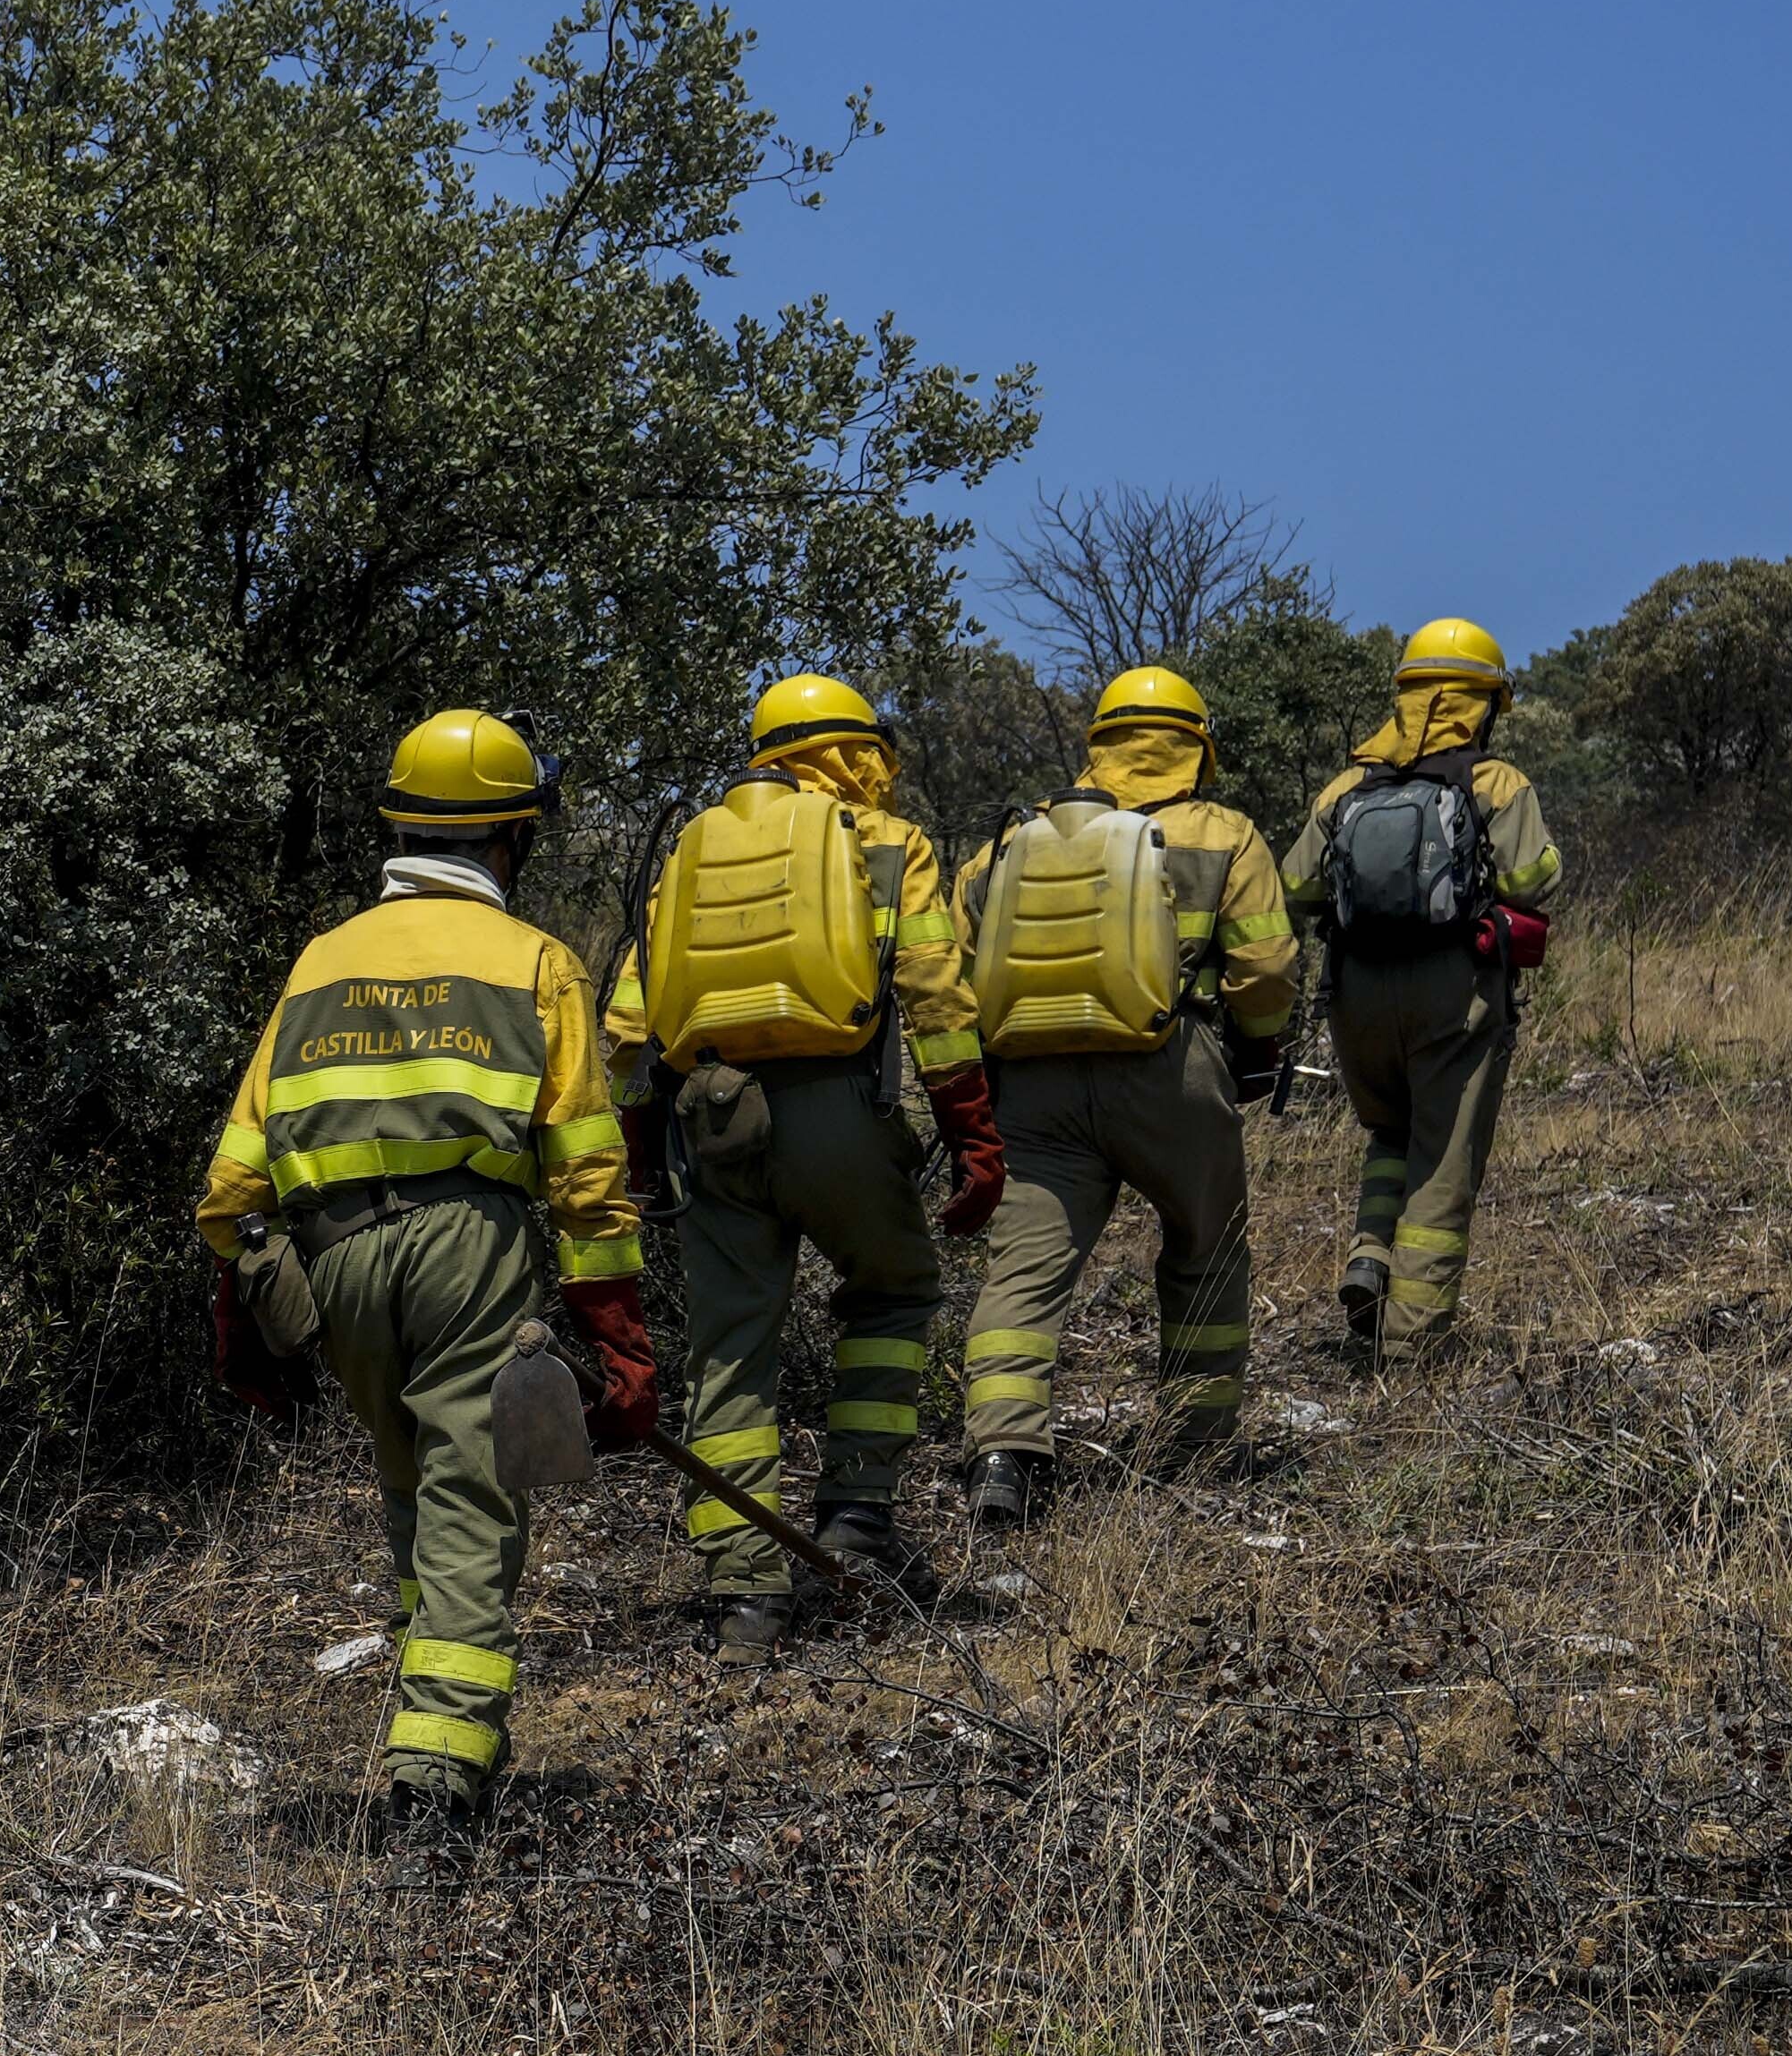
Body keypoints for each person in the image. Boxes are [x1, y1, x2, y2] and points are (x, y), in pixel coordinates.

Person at [197, 712, 658, 1840]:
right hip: (469, 1246)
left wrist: (248, 1304)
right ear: (508, 840)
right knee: (473, 1503)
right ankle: (436, 1788)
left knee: (415, 1497)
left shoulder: (323, 961)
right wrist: (620, 1334)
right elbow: (587, 1170)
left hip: (334, 1261)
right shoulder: (536, 962)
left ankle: (440, 1731)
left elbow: (231, 1183)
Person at [614, 672, 1000, 1626]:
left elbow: (629, 1024)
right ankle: (858, 1523)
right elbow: (936, 994)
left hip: (709, 1120)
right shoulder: (884, 843)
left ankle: (744, 1589)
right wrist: (972, 1130)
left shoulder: (692, 856)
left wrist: (637, 1147)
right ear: (861, 754)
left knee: (729, 1347)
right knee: (895, 1291)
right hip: (839, 1113)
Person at [943, 667, 1313, 1514]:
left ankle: (1003, 1452)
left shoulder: (1012, 841)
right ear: (1197, 746)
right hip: (1169, 1065)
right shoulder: (1224, 833)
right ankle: (1194, 1446)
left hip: (1032, 1083)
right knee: (1207, 1246)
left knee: (1026, 1268)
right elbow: (1264, 965)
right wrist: (1256, 1050)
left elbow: (955, 967)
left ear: (1098, 744)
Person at [1290, 617, 1568, 1359]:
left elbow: (1294, 888)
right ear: (1483, 703)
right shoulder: (1495, 782)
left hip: (1355, 998)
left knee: (1390, 1132)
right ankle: (1412, 1349)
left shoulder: (1347, 788)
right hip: (1454, 994)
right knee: (1443, 1166)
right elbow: (1534, 883)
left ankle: (1369, 1260)